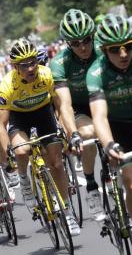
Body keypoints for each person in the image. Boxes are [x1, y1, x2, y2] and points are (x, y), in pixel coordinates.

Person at [86, 14, 132, 253]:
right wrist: (109, 145)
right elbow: (99, 117)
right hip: (119, 127)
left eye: (128, 46)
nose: (124, 54)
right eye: (115, 50)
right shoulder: (96, 74)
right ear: (104, 51)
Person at [0, 39, 80, 236]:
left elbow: (60, 106)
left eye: (33, 61)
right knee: (21, 151)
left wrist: (70, 133)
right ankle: (24, 180)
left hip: (44, 115)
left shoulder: (46, 75)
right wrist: (7, 152)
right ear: (16, 67)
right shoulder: (7, 85)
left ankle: (66, 211)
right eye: (25, 64)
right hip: (19, 118)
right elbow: (1, 124)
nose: (31, 67)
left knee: (57, 163)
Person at [50, 8, 105, 221]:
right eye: (75, 43)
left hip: (106, 100)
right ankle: (91, 185)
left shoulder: (104, 50)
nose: (82, 47)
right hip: (81, 106)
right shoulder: (60, 63)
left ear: (93, 36)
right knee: (88, 135)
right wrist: (73, 133)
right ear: (67, 44)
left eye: (86, 40)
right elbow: (64, 104)